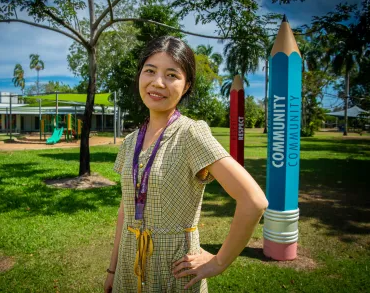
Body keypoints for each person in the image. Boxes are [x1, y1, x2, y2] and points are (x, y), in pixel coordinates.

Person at [104, 36, 268, 293]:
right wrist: (113, 270)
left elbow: (254, 200)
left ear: (187, 84)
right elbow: (125, 210)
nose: (158, 82)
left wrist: (219, 261)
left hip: (174, 273)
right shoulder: (129, 142)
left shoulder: (192, 134)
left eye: (171, 75)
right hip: (128, 268)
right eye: (150, 71)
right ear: (139, 76)